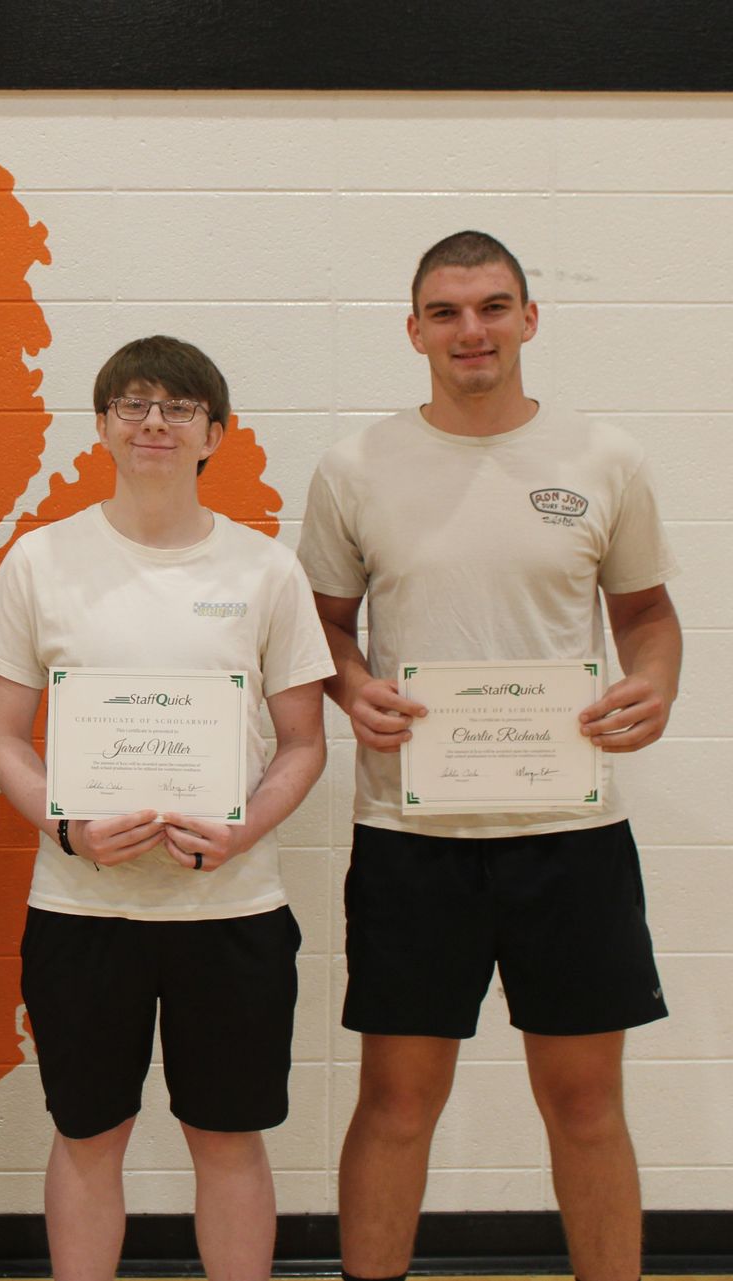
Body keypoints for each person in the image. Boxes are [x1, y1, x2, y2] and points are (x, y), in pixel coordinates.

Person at [299, 231, 681, 1281]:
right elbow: (321, 628)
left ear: (529, 319)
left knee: (589, 1105)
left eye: (493, 306)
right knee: (396, 1103)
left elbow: (647, 614)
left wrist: (655, 683)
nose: (473, 329)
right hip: (412, 836)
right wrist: (349, 682)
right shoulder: (353, 469)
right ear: (414, 327)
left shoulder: (603, 459)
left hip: (575, 837)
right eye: (448, 311)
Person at [0, 336, 332, 1281]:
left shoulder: (266, 571)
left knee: (230, 1139)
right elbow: (3, 735)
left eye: (178, 408)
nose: (155, 423)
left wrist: (243, 826)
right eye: (133, 405)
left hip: (235, 910)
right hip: (84, 909)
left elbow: (304, 743)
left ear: (216, 432)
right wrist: (67, 826)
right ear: (102, 426)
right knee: (89, 1136)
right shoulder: (40, 562)